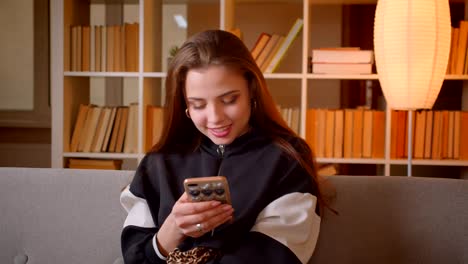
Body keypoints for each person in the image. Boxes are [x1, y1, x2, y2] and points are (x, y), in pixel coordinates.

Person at [120, 29, 326, 264]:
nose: (215, 118)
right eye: (198, 105)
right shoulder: (158, 162)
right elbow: (135, 257)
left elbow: (277, 254)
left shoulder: (287, 157)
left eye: (229, 100)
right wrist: (171, 231)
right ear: (184, 106)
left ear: (252, 91)